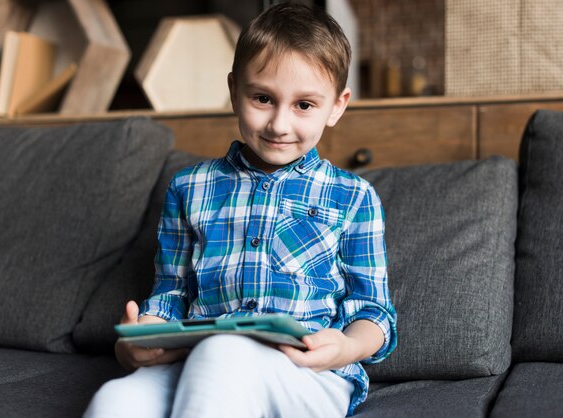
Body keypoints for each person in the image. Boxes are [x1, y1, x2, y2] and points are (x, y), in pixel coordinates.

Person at [84, 2, 396, 417]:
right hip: (196, 358)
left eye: (304, 105)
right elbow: (171, 294)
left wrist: (346, 347)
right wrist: (142, 340)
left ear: (336, 106)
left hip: (308, 373)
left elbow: (373, 311)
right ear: (234, 90)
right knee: (115, 402)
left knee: (224, 355)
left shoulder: (354, 197)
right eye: (263, 98)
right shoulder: (188, 188)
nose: (279, 124)